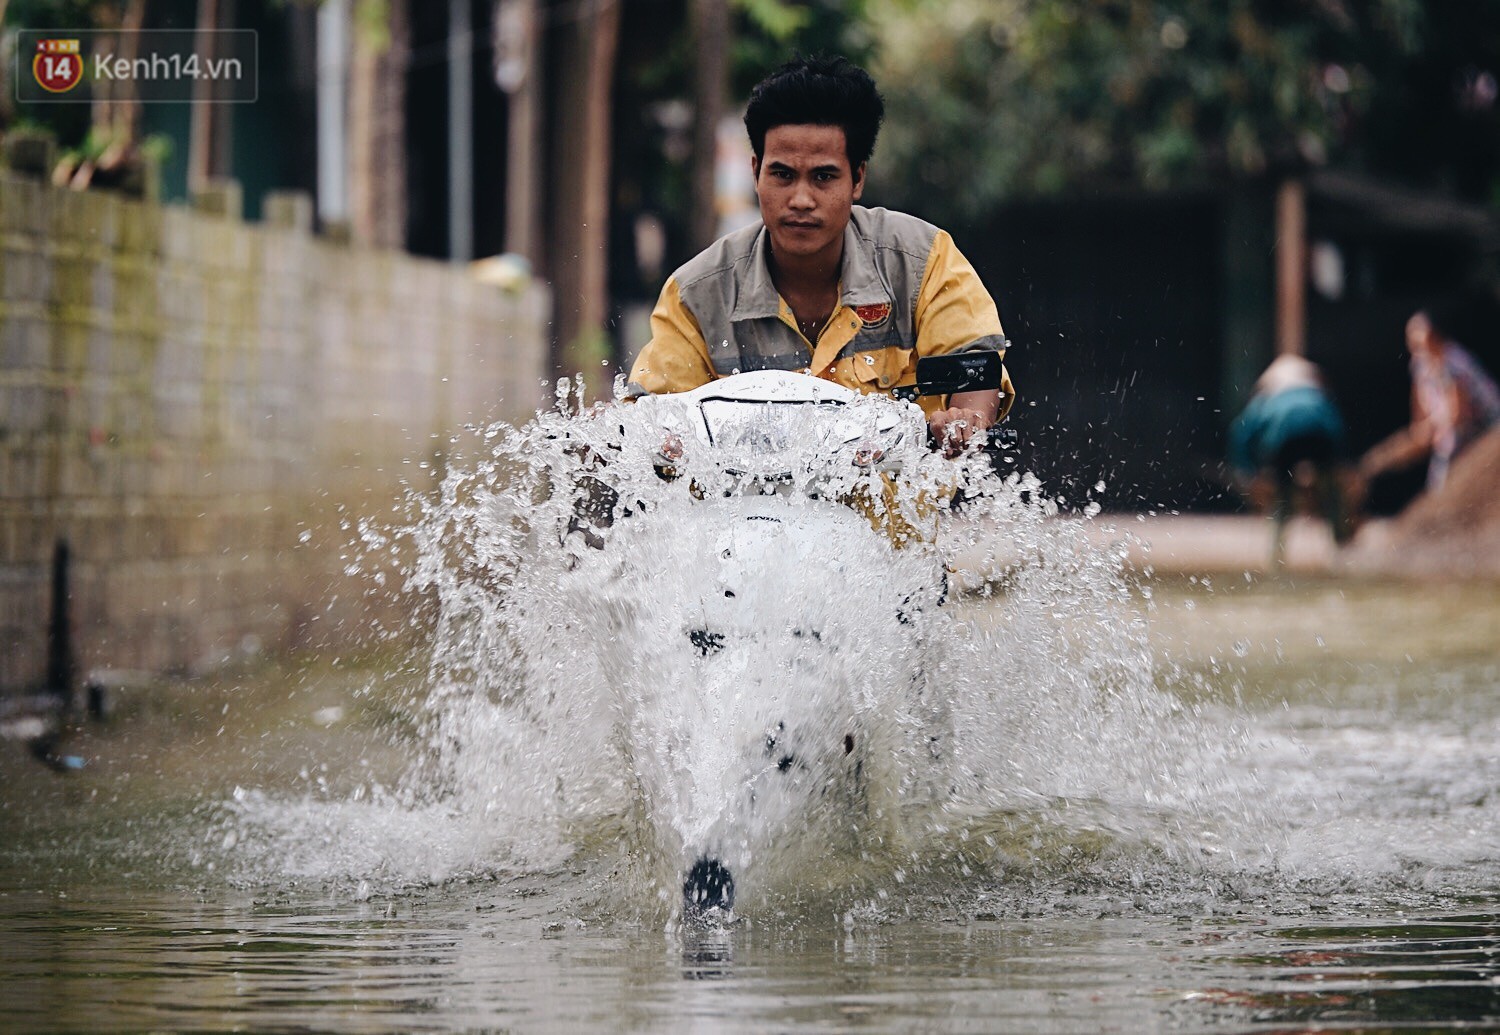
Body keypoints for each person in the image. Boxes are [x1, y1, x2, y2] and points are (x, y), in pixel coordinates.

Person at [625, 54, 1015, 454]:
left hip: (887, 518)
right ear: (756, 171)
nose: (800, 199)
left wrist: (965, 419)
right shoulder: (696, 294)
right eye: (782, 174)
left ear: (857, 178)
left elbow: (976, 370)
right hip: (743, 515)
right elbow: (650, 413)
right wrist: (632, 437)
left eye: (823, 176)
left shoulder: (921, 261)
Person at [1228, 353, 1352, 567]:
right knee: (1330, 491)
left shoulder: (1268, 397)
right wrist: (1338, 461)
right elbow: (1336, 427)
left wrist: (1247, 471)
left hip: (1283, 440)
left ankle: (1276, 555)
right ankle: (1338, 547)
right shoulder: (1317, 394)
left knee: (1283, 497)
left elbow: (1240, 432)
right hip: (1320, 437)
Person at [1359, 308, 1500, 492]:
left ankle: (1441, 497)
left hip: (1485, 425)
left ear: (1434, 336)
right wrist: (1420, 430)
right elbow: (1420, 407)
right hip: (1449, 424)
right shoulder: (1420, 365)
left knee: (1449, 445)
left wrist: (1435, 429)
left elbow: (1458, 412)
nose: (1415, 345)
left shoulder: (1453, 362)